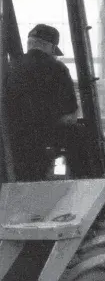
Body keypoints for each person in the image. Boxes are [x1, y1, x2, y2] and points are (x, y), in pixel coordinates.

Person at [6, 24, 78, 181]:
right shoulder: (58, 69)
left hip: (12, 150)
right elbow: (70, 116)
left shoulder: (9, 68)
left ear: (29, 43)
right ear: (50, 47)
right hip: (45, 149)